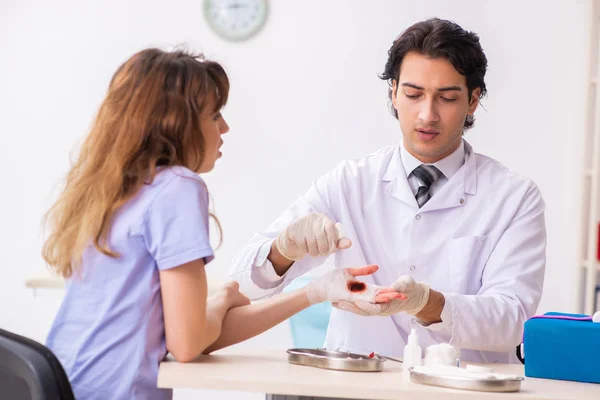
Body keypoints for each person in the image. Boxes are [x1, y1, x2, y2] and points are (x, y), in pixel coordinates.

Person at [41, 48, 402, 400]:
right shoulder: (178, 187)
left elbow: (192, 336)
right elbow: (187, 344)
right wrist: (219, 303)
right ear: (175, 124)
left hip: (63, 382)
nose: (225, 127)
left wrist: (317, 291)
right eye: (215, 115)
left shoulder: (113, 190)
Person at [229, 18, 547, 364]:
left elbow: (513, 320)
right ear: (393, 93)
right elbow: (243, 287)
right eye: (413, 94)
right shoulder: (349, 183)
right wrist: (282, 250)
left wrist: (427, 303)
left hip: (459, 389)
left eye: (447, 98)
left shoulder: (514, 198)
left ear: (472, 101)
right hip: (357, 385)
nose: (427, 114)